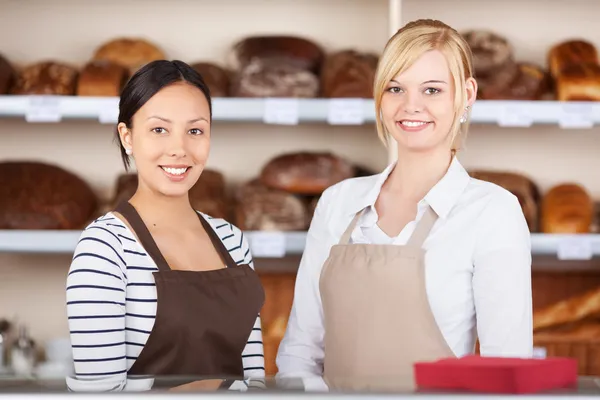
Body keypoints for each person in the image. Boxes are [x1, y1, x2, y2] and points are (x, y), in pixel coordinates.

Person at [275, 19, 533, 392]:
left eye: (432, 89)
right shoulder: (338, 202)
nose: (411, 106)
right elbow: (301, 351)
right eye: (396, 88)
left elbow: (506, 368)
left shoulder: (493, 212)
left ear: (467, 94)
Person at [65, 60, 265, 392]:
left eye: (195, 130)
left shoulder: (233, 241)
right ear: (127, 137)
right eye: (159, 129)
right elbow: (98, 395)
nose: (179, 149)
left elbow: (254, 380)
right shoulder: (105, 247)